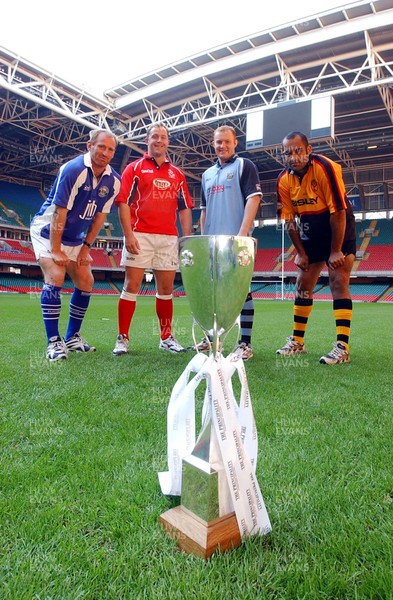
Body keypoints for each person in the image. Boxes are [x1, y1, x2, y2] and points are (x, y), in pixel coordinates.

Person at [30, 129, 121, 362]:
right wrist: (57, 250)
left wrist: (86, 247)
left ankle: (72, 337)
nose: (105, 152)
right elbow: (60, 212)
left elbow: (100, 216)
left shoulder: (114, 181)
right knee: (56, 274)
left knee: (86, 280)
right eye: (101, 146)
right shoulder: (74, 169)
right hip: (47, 230)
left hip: (75, 237)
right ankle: (53, 342)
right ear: (89, 145)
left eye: (110, 149)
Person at [112, 123, 193, 356]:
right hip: (140, 235)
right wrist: (128, 235)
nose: (159, 140)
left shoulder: (177, 174)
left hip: (168, 237)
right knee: (131, 286)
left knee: (166, 289)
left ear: (168, 142)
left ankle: (166, 337)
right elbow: (124, 202)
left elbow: (185, 207)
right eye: (155, 136)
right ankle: (123, 337)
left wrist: (185, 238)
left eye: (163, 137)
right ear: (147, 140)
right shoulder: (134, 168)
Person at [276, 131, 356, 364]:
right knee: (302, 284)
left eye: (297, 150)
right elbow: (289, 220)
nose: (293, 156)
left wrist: (335, 250)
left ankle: (342, 347)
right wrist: (300, 253)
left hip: (337, 226)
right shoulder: (283, 180)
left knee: (338, 279)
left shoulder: (325, 167)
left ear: (308, 150)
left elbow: (338, 211)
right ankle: (297, 342)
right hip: (310, 228)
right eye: (287, 153)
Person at [195, 125, 262, 360]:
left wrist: (242, 236)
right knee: (213, 291)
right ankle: (212, 339)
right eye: (217, 142)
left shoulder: (244, 166)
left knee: (242, 290)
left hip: (236, 240)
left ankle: (244, 344)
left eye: (226, 141)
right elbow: (203, 211)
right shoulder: (206, 175)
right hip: (212, 242)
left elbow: (254, 200)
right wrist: (203, 241)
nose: (221, 145)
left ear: (235, 143)